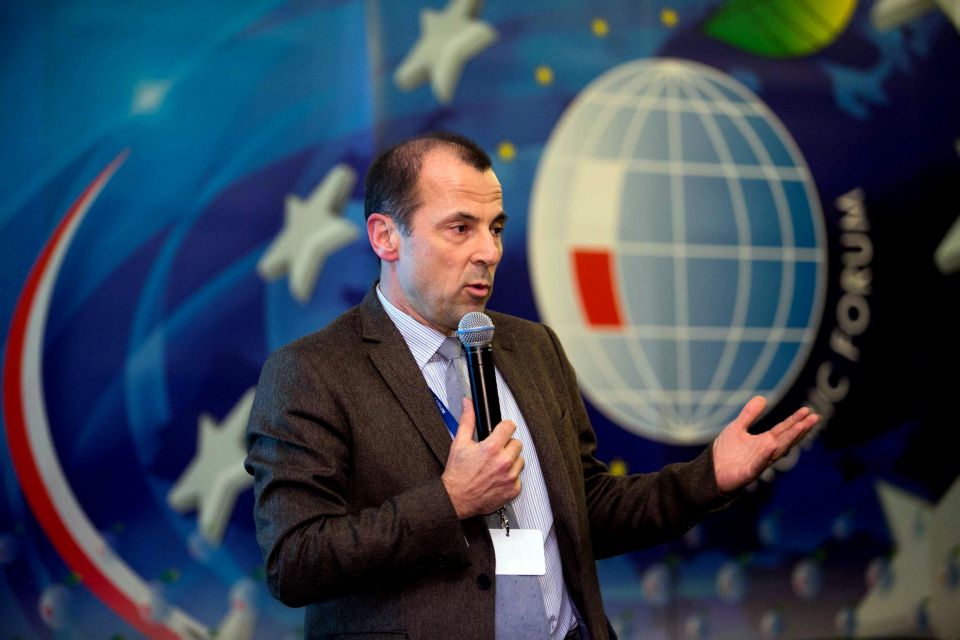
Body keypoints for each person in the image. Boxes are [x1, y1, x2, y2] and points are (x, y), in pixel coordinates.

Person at [244, 132, 818, 639]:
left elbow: (586, 511)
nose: (488, 252)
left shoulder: (532, 347)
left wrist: (708, 477)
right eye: (460, 228)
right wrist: (450, 501)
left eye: (495, 229)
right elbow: (294, 561)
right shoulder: (313, 373)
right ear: (386, 237)